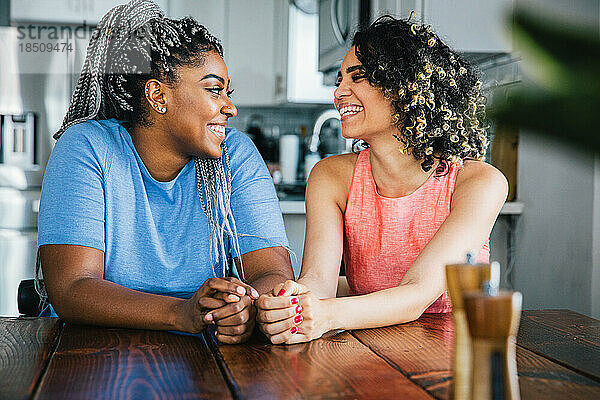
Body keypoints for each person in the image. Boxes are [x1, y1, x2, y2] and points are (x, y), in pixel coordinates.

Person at [37, 0, 293, 344]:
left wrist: (244, 306)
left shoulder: (236, 155)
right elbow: (71, 288)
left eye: (227, 93)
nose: (229, 107)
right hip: (88, 351)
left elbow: (271, 272)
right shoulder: (86, 148)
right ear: (159, 95)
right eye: (214, 89)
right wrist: (180, 312)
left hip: (202, 355)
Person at [255, 15, 508, 344]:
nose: (339, 93)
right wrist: (293, 301)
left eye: (357, 77)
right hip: (366, 349)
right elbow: (318, 282)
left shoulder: (478, 183)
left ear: (405, 87)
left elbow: (417, 294)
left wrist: (325, 315)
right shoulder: (330, 177)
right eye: (339, 80)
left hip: (453, 352)